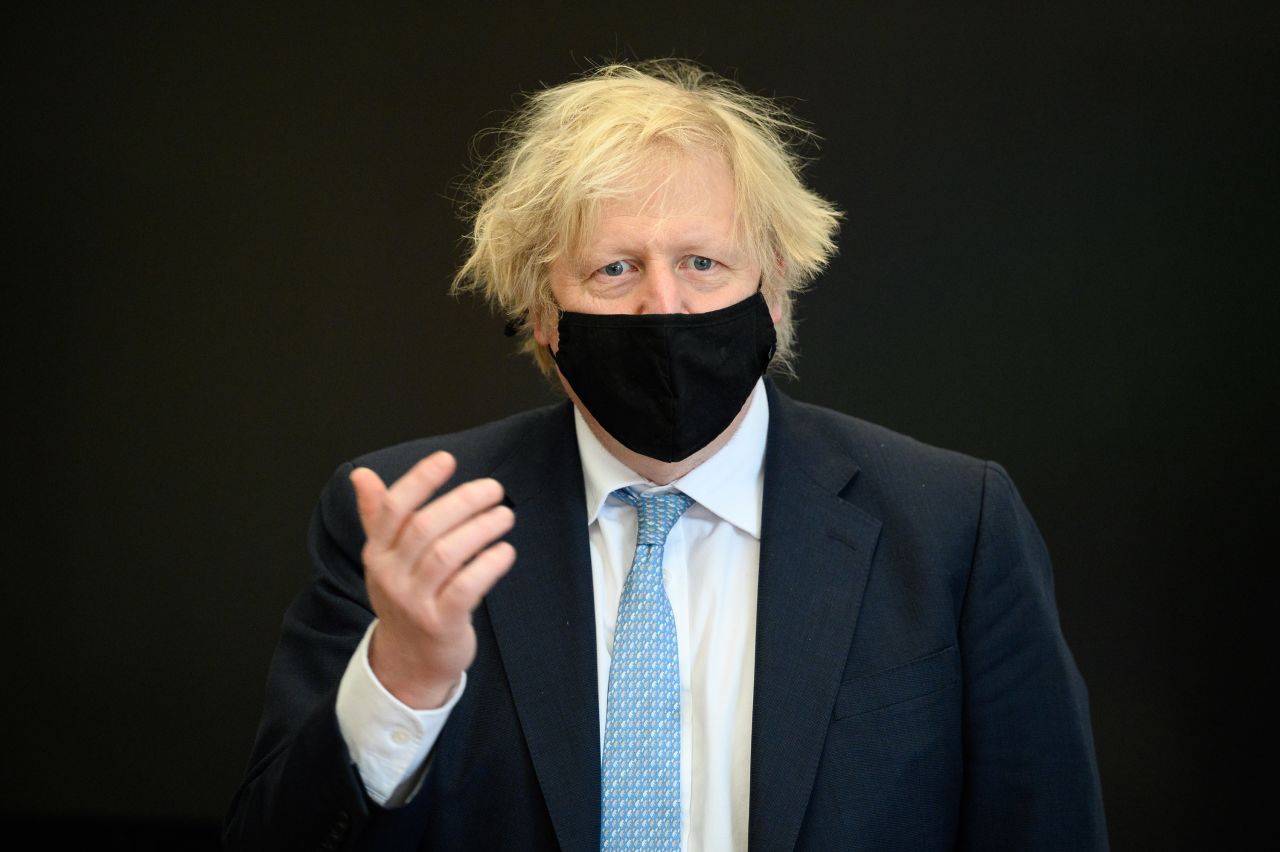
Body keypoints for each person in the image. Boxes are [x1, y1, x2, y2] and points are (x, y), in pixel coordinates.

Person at [224, 60, 1107, 851]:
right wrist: (405, 677)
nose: (664, 307)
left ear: (776, 288)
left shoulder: (954, 526)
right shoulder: (409, 528)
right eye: (614, 269)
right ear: (541, 314)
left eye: (702, 262)